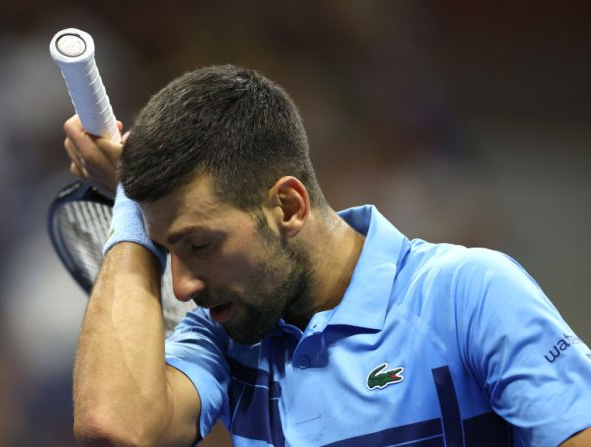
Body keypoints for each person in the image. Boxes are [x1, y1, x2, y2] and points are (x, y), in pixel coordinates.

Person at [63, 65, 591, 446]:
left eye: (200, 245)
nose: (182, 288)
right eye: (167, 250)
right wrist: (130, 203)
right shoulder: (221, 337)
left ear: (288, 207)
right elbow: (115, 429)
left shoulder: (467, 294)